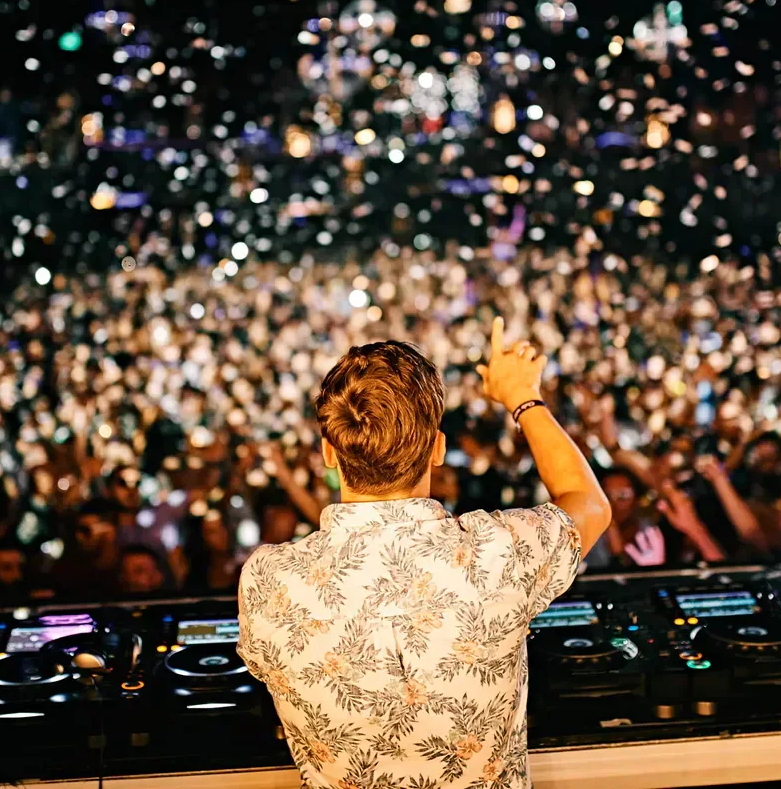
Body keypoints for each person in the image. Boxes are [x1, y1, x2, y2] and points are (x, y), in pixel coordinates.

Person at [237, 320, 610, 789]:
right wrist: (522, 396)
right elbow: (589, 502)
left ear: (330, 454)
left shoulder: (269, 580)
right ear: (437, 449)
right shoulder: (498, 554)